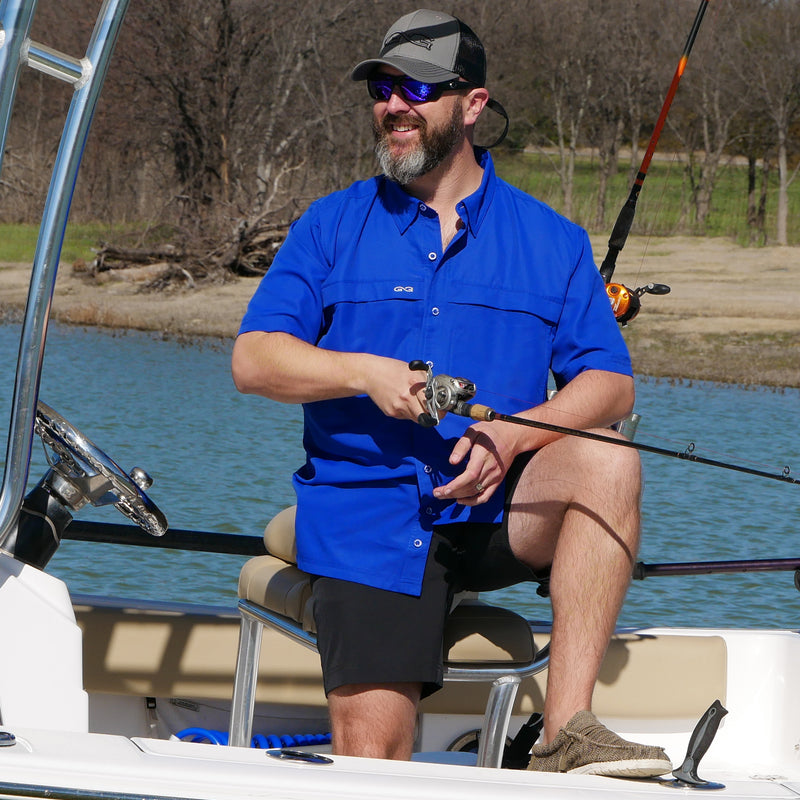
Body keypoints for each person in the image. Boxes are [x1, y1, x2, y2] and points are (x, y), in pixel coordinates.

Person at [232, 8, 672, 777]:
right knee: (375, 762)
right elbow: (255, 360)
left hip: (498, 513)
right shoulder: (329, 225)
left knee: (609, 459)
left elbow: (609, 381)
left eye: (419, 88)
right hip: (371, 518)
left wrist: (513, 435)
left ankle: (566, 731)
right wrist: (362, 373)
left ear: (473, 105)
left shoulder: (553, 240)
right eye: (382, 87)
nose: (393, 105)